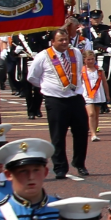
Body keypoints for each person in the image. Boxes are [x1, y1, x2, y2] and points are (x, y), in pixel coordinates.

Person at [29, 28, 90, 179]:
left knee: (82, 133)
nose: (64, 43)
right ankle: (60, 167)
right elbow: (32, 77)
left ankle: (79, 163)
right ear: (52, 41)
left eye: (66, 39)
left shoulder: (75, 53)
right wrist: (47, 87)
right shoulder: (43, 56)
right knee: (58, 135)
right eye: (60, 40)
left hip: (75, 97)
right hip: (55, 100)